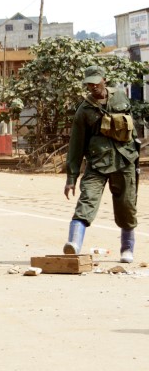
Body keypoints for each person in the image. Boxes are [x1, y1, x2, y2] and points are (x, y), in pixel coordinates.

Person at [64, 65, 139, 263]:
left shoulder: (121, 98)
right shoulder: (84, 110)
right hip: (97, 163)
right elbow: (76, 145)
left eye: (96, 81)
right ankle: (73, 244)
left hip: (124, 161)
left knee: (127, 206)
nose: (93, 86)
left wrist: (135, 156)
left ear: (104, 79)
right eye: (89, 83)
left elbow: (132, 129)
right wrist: (71, 177)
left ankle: (127, 249)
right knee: (87, 200)